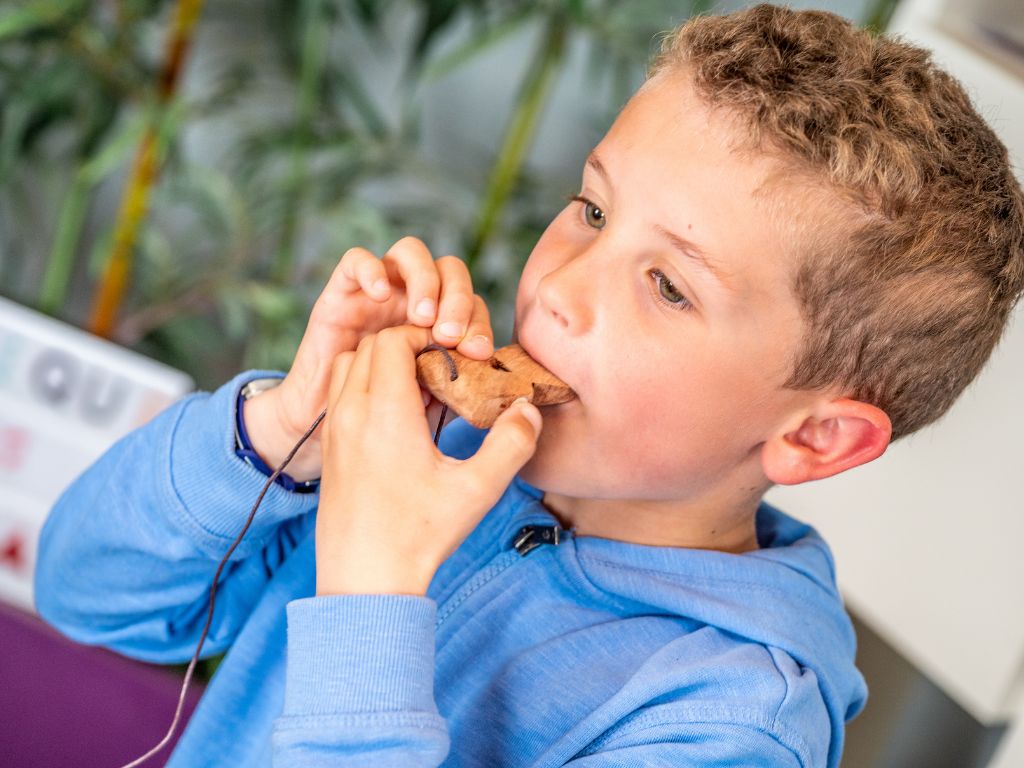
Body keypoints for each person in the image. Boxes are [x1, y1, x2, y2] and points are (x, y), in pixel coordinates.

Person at [34, 5, 1024, 767]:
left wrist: (373, 587)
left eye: (668, 287)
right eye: (592, 209)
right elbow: (86, 597)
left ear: (811, 439)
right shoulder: (430, 455)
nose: (555, 292)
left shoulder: (726, 721)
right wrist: (281, 433)